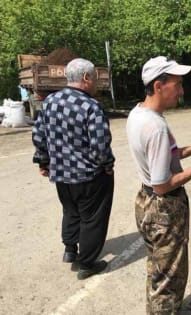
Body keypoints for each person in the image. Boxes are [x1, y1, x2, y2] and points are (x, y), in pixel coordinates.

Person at [126, 56, 191, 314]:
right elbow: (162, 184)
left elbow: (162, 156)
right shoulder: (155, 126)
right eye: (177, 85)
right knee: (168, 280)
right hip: (163, 208)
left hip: (145, 202)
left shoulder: (138, 114)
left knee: (157, 270)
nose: (181, 91)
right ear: (158, 86)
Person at [32, 58, 114, 280]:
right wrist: (107, 165)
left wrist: (43, 161)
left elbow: (39, 136)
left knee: (70, 210)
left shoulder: (49, 102)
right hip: (88, 176)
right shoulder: (91, 106)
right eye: (95, 79)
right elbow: (99, 146)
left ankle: (70, 250)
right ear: (86, 78)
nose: (96, 84)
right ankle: (86, 263)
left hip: (60, 175)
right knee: (92, 218)